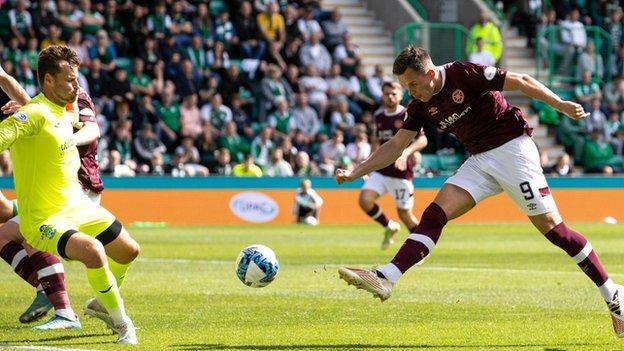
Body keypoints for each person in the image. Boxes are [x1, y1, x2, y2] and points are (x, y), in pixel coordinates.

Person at [335, 46, 624, 337]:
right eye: (405, 87)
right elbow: (396, 146)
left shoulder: (463, 73)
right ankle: (387, 277)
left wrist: (559, 104)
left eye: (412, 84)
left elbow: (522, 80)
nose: (410, 92)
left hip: (513, 150)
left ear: (431, 74)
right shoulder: (420, 106)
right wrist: (356, 171)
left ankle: (613, 295)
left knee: (554, 230)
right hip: (480, 159)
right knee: (435, 213)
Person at [0, 46, 139, 344]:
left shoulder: (66, 106)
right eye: (70, 80)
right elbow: (9, 132)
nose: (77, 86)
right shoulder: (32, 115)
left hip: (77, 204)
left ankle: (101, 304)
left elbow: (81, 124)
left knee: (129, 251)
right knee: (93, 252)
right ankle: (122, 323)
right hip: (44, 218)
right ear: (48, 81)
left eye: (77, 79)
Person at [0, 64, 104, 329]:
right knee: (6, 234)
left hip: (76, 187)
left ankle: (66, 309)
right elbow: (38, 112)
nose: (73, 84)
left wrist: (68, 139)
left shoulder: (77, 99)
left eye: (73, 78)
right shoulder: (48, 105)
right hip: (58, 187)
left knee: (31, 228)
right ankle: (48, 289)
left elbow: (91, 130)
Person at [359, 81, 427, 250]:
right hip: (382, 171)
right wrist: (368, 165)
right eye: (386, 93)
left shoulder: (407, 114)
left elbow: (422, 140)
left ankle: (421, 248)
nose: (390, 96)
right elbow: (377, 142)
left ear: (401, 95)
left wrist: (405, 153)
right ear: (382, 95)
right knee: (364, 200)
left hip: (401, 173)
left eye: (393, 93)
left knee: (404, 214)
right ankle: (389, 226)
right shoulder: (379, 117)